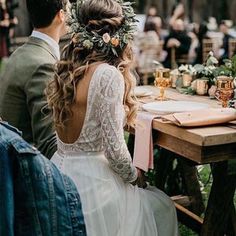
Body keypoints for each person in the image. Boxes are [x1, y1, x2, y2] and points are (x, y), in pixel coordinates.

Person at [46, 0, 179, 235]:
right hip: (93, 186)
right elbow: (115, 151)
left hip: (58, 172)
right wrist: (135, 177)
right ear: (120, 36)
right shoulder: (107, 76)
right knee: (163, 206)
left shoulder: (66, 68)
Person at [0, 0, 68, 158]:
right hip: (23, 168)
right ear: (61, 16)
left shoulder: (19, 53)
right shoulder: (43, 64)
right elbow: (48, 142)